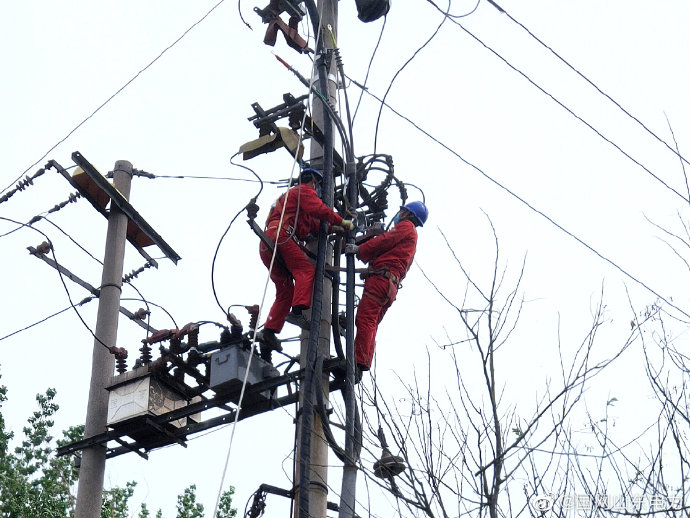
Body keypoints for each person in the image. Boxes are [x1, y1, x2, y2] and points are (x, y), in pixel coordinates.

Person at [256, 167, 354, 359]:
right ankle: (297, 311)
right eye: (318, 186)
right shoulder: (303, 190)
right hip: (281, 237)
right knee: (306, 270)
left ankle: (269, 331)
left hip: (268, 244)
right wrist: (342, 221)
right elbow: (319, 210)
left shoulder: (293, 202)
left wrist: (334, 228)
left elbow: (312, 225)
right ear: (313, 182)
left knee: (285, 291)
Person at [344, 201, 428, 377]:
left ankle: (358, 362)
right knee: (371, 323)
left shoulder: (406, 227)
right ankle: (362, 362)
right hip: (389, 287)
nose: (399, 214)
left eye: (402, 211)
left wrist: (360, 249)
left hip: (380, 281)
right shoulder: (412, 240)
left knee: (365, 319)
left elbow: (385, 241)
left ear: (408, 214)